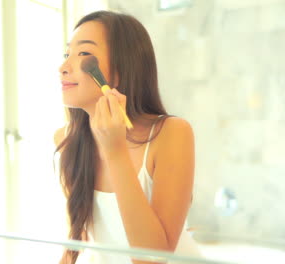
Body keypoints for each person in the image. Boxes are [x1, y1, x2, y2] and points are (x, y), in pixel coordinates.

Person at [54, 10, 202, 264]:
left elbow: (152, 259)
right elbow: (77, 238)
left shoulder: (171, 134)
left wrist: (115, 151)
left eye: (84, 55)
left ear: (123, 69)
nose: (63, 67)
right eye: (67, 54)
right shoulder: (66, 140)